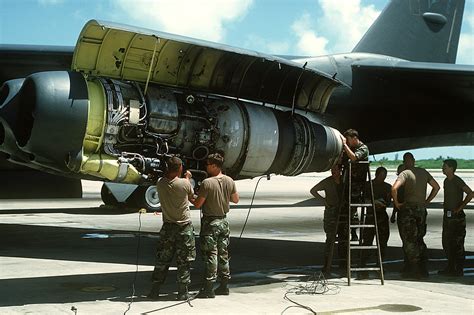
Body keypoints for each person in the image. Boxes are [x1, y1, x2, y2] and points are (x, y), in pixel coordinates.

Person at [148, 156, 196, 300]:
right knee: (184, 261)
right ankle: (182, 292)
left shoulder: (160, 183)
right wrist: (188, 178)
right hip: (184, 228)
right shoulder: (185, 184)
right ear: (180, 168)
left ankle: (155, 290)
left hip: (168, 228)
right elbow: (192, 197)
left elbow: (170, 181)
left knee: (162, 261)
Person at [192, 153, 239, 298]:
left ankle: (208, 288)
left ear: (214, 166)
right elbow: (235, 199)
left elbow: (198, 204)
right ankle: (224, 285)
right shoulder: (230, 180)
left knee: (211, 255)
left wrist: (190, 196)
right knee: (223, 254)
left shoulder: (207, 183)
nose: (206, 167)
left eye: (208, 164)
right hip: (224, 222)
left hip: (210, 223)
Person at [391, 152, 440, 278]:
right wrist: (426, 201)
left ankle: (414, 268)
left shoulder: (405, 173)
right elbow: (436, 187)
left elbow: (394, 188)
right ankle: (423, 268)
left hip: (409, 210)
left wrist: (396, 203)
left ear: (405, 161)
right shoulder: (423, 172)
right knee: (419, 238)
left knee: (409, 240)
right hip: (421, 209)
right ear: (414, 160)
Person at [438, 159, 474, 277]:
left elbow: (470, 193)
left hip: (457, 218)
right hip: (447, 216)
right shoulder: (446, 181)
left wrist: (460, 207)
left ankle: (458, 269)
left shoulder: (457, 180)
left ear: (451, 168)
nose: (443, 168)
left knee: (457, 243)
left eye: (445, 166)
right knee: (447, 242)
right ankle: (450, 267)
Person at [310, 164, 343, 274]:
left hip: (343, 212)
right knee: (330, 239)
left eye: (335, 170)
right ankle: (327, 264)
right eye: (332, 170)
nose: (333, 172)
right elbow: (313, 190)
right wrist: (324, 201)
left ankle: (343, 263)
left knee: (344, 239)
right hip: (331, 213)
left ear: (340, 170)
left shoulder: (345, 181)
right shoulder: (327, 181)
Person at [340, 129, 369, 242]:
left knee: (352, 210)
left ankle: (352, 232)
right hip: (348, 183)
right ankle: (345, 232)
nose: (347, 142)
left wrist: (344, 145)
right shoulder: (350, 148)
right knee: (345, 209)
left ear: (354, 138)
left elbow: (354, 158)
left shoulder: (363, 148)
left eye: (348, 140)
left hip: (357, 185)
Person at [362, 166, 391, 259]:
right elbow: (363, 199)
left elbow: (388, 202)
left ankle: (380, 261)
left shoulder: (387, 187)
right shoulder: (368, 185)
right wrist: (374, 203)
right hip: (370, 215)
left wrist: (382, 204)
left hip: (382, 216)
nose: (383, 178)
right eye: (381, 176)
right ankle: (364, 262)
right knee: (367, 240)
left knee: (383, 241)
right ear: (376, 175)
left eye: (384, 176)